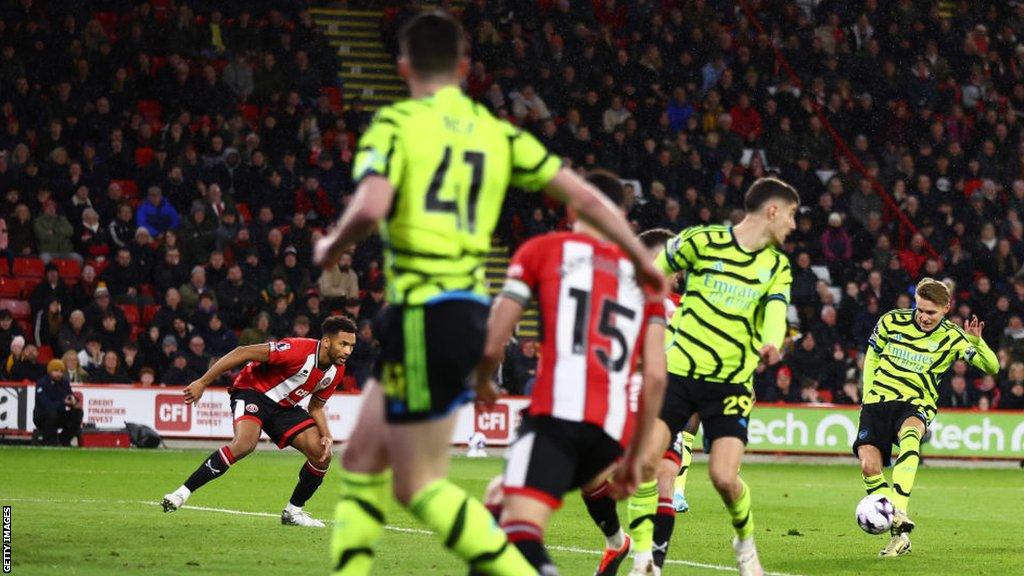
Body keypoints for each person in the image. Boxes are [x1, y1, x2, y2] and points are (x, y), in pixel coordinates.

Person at [315, 12, 664, 576]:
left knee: (420, 483)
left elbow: (374, 204)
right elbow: (586, 195)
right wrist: (641, 256)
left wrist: (333, 242)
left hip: (426, 312)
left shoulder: (396, 123)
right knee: (363, 458)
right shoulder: (497, 133)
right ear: (464, 68)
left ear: (403, 67)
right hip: (465, 318)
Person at [473, 172, 667, 575]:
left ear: (573, 207)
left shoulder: (542, 250)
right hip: (613, 434)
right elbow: (655, 379)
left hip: (557, 417)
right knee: (499, 497)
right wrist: (633, 457)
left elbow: (494, 342)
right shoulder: (647, 280)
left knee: (510, 531)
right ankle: (616, 542)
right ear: (621, 216)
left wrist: (483, 380)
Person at [626, 177, 797, 576]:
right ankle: (643, 561)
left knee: (724, 478)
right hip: (679, 373)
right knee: (646, 463)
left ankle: (745, 542)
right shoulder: (701, 241)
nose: (793, 225)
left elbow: (776, 310)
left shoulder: (777, 265)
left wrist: (772, 342)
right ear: (772, 211)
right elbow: (654, 270)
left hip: (731, 383)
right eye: (791, 215)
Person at [161, 316, 357, 527]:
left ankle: (293, 512)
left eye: (351, 346)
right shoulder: (296, 349)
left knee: (321, 454)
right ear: (327, 342)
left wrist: (327, 434)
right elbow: (242, 352)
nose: (347, 351)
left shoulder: (337, 370)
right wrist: (203, 382)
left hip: (285, 407)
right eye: (343, 344)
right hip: (253, 392)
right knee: (245, 444)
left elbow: (315, 406)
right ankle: (181, 494)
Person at [854, 278, 998, 557]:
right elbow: (872, 355)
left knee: (910, 437)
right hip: (877, 402)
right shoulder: (891, 321)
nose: (923, 316)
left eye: (930, 312)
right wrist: (867, 395)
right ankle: (900, 535)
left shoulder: (953, 337)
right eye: (919, 309)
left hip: (915, 403)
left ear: (946, 308)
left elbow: (991, 367)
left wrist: (977, 343)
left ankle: (899, 510)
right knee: (869, 467)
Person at [33, 359, 83, 446]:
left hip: (59, 414)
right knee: (51, 413)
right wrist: (63, 402)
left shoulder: (64, 382)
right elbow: (46, 404)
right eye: (56, 371)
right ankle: (51, 442)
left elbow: (69, 395)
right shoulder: (42, 383)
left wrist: (73, 400)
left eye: (61, 371)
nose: (59, 374)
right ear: (50, 371)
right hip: (42, 417)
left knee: (78, 413)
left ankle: (64, 439)